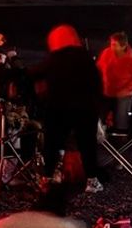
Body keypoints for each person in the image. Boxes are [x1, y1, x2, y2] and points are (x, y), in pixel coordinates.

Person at [33, 25, 107, 192]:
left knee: (53, 142)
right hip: (84, 107)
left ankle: (49, 177)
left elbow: (34, 74)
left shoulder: (53, 59)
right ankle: (91, 180)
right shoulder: (85, 58)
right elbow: (96, 83)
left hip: (57, 106)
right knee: (87, 144)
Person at [97, 32, 132, 135]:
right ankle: (101, 136)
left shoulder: (131, 59)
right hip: (106, 92)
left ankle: (120, 139)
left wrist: (127, 89)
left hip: (123, 95)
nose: (112, 47)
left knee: (120, 120)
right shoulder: (106, 53)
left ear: (123, 46)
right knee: (99, 117)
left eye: (115, 45)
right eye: (111, 44)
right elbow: (98, 69)